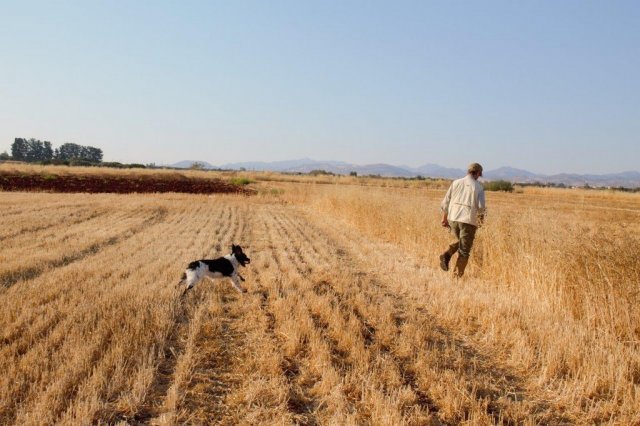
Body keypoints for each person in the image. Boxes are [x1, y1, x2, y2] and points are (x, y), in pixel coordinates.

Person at [439, 163, 486, 277]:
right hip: (468, 220)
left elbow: (446, 201)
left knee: (461, 241)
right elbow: (480, 207)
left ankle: (447, 255)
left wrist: (444, 218)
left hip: (453, 218)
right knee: (464, 250)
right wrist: (480, 221)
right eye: (480, 174)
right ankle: (456, 277)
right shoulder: (478, 187)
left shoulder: (456, 183)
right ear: (478, 173)